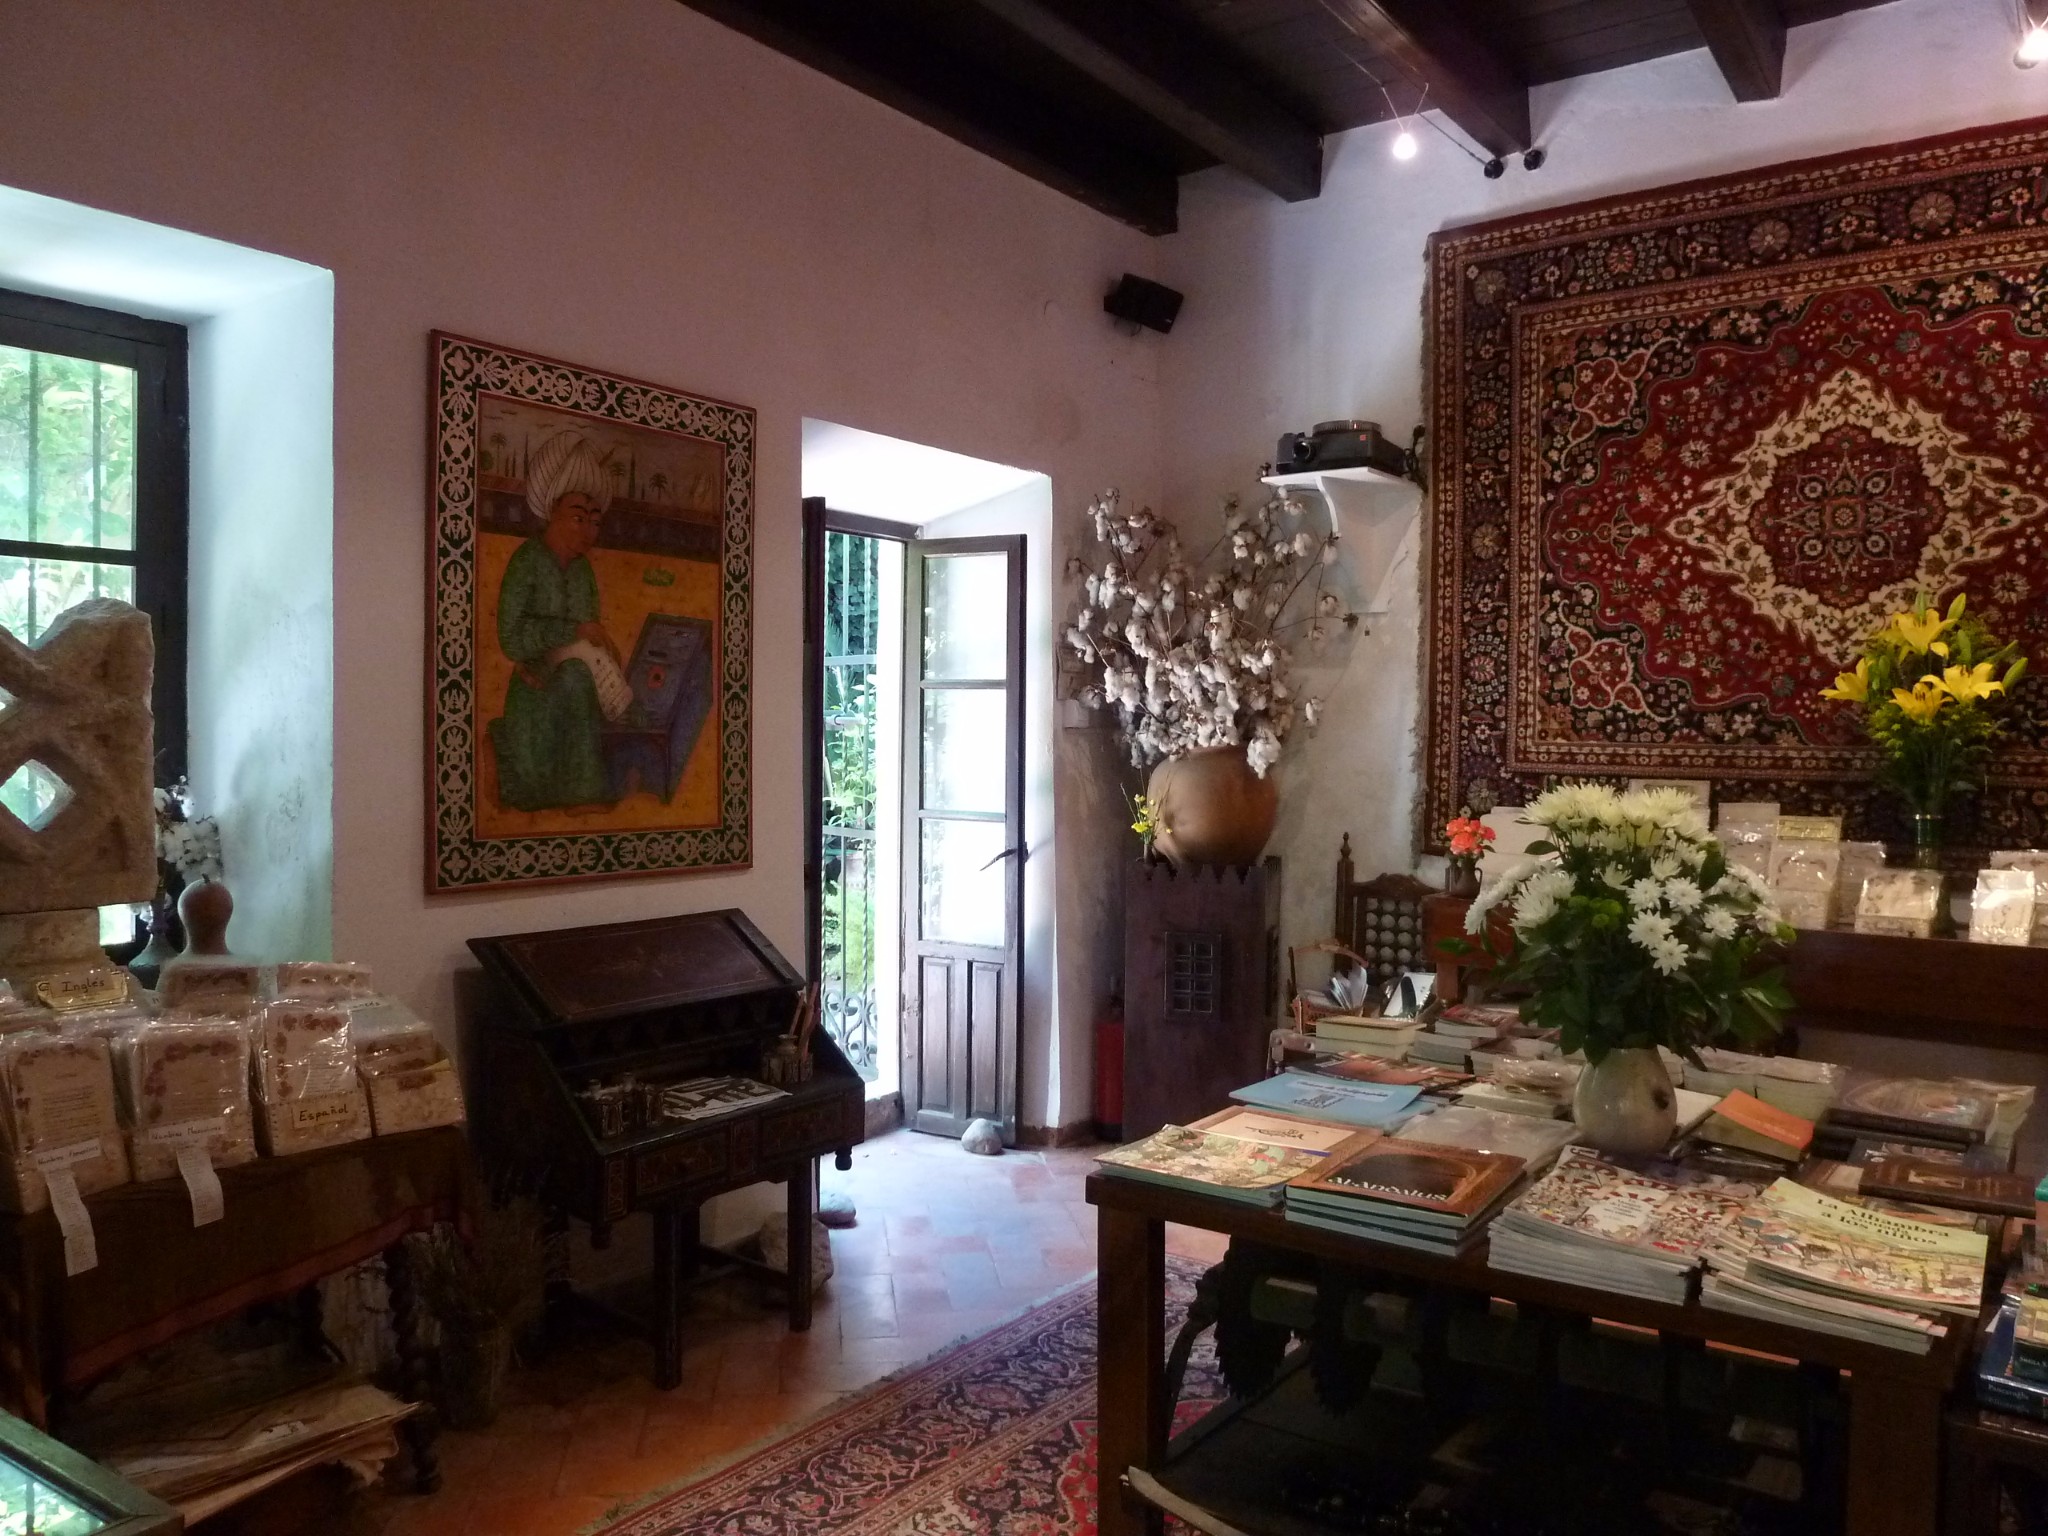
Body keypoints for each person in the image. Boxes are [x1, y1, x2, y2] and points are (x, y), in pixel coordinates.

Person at [489, 430, 623, 812]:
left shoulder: (583, 572)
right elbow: (511, 639)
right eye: (578, 518)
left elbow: (588, 634)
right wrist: (572, 632)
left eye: (595, 521)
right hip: (535, 694)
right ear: (552, 511)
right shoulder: (526, 562)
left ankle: (587, 788)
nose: (588, 531)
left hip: (577, 691)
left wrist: (603, 649)